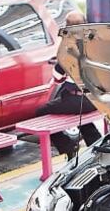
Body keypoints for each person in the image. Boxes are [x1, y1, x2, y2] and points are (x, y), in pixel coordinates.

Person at [35, 11, 103, 159]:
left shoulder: (68, 48)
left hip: (78, 100)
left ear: (68, 27)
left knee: (41, 111)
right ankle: (97, 144)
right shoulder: (96, 43)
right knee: (79, 117)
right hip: (96, 99)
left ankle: (66, 145)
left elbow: (58, 78)